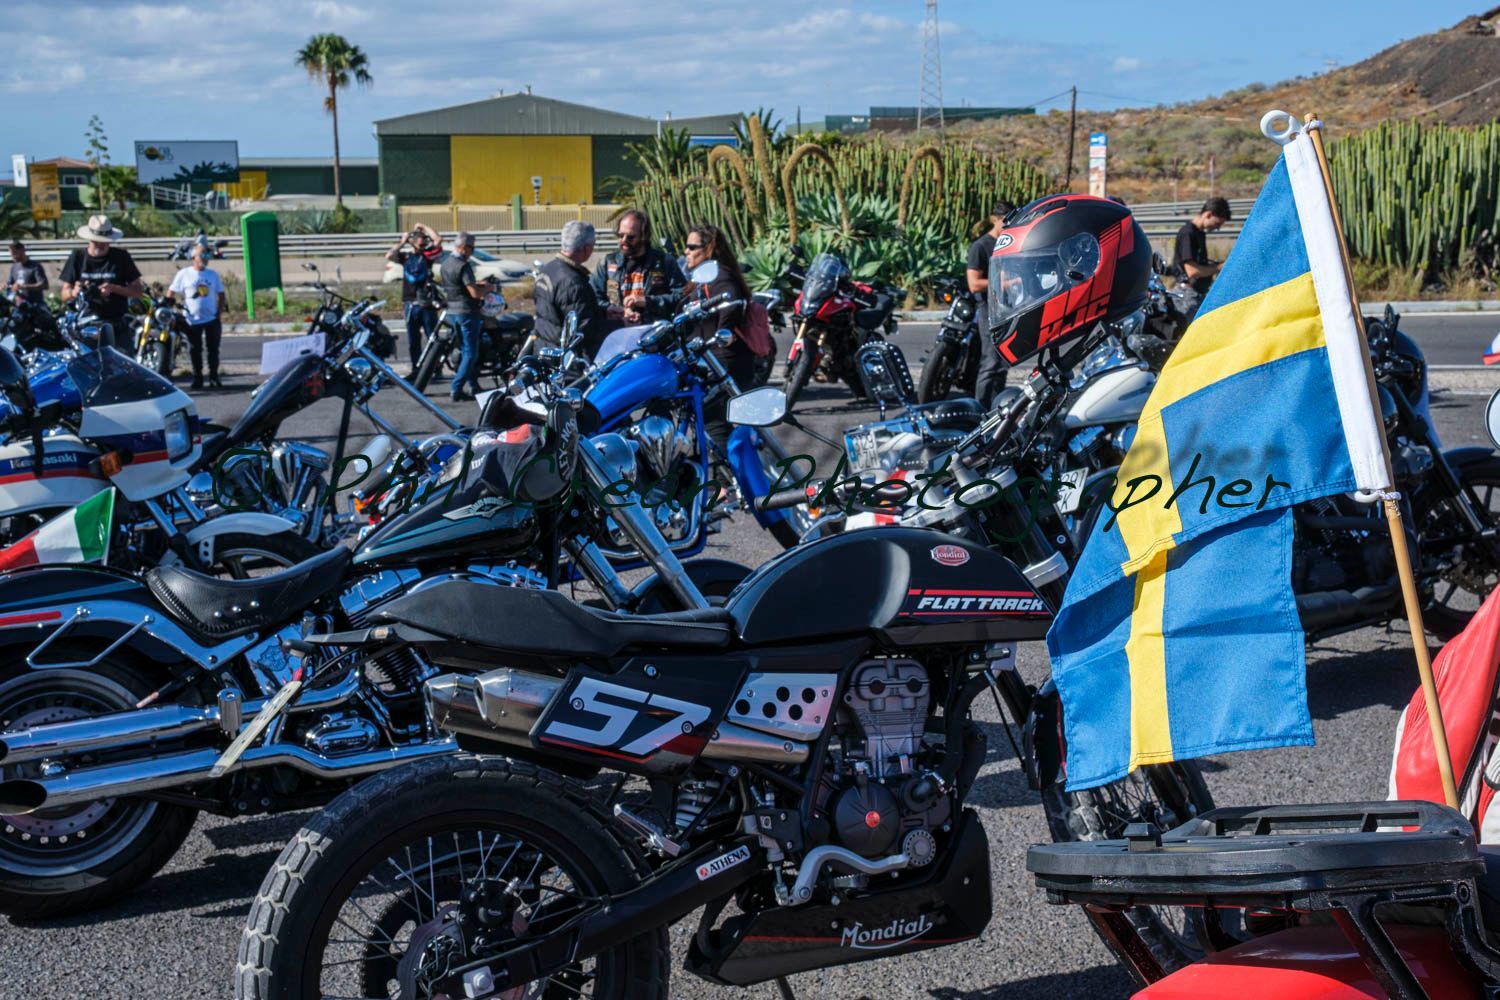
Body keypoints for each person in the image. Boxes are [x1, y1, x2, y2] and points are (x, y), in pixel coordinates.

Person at [681, 222, 754, 456]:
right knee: (710, 422)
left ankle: (729, 484)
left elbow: (731, 305)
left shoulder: (720, 277)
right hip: (711, 362)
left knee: (714, 423)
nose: (686, 252)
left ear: (709, 249)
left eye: (692, 247)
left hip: (723, 363)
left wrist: (723, 331)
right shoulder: (704, 278)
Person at [591, 209, 685, 327]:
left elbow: (682, 296)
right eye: (620, 235)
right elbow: (592, 297)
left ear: (644, 236)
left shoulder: (664, 262)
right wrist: (615, 310)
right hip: (617, 333)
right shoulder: (608, 262)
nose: (624, 241)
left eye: (630, 237)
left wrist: (648, 302)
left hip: (654, 333)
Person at [60, 215, 143, 343]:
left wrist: (113, 288)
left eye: (106, 240)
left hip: (116, 323)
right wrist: (75, 292)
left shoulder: (121, 257)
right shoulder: (78, 257)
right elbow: (64, 293)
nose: (102, 244)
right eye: (98, 241)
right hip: (86, 324)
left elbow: (137, 291)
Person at [534, 220, 611, 358]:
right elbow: (583, 330)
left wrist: (605, 312)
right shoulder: (572, 282)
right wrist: (619, 324)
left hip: (544, 347)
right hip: (567, 360)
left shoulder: (548, 269)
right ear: (586, 248)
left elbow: (563, 313)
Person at [967, 200, 1014, 408]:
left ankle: (997, 407)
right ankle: (981, 407)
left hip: (1008, 308)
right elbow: (974, 284)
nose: (1009, 224)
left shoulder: (1010, 244)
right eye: (1006, 220)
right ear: (995, 219)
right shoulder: (980, 247)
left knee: (1003, 362)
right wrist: (1004, 284)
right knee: (991, 361)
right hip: (988, 309)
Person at [166, 245, 228, 389]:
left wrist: (219, 312)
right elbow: (171, 292)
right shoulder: (184, 274)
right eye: (202, 256)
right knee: (195, 349)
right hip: (191, 319)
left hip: (211, 319)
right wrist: (170, 307)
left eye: (207, 256)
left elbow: (221, 294)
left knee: (213, 349)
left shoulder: (212, 275)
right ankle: (198, 377)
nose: (204, 259)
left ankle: (213, 377)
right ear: (194, 257)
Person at [386, 222, 443, 375]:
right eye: (419, 239)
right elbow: (389, 255)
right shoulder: (406, 257)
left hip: (427, 303)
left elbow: (438, 239)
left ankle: (435, 367)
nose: (422, 241)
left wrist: (424, 226)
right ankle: (416, 369)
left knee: (432, 337)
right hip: (410, 303)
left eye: (424, 239)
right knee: (413, 340)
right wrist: (402, 241)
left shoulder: (428, 255)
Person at [439, 231, 491, 401]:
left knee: (464, 350)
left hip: (452, 312)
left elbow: (457, 286)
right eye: (472, 248)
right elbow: (474, 293)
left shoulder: (446, 263)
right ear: (463, 247)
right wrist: (488, 288)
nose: (473, 251)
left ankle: (474, 385)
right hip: (467, 312)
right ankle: (457, 388)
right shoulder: (463, 265)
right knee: (470, 353)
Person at [1172, 196, 1232, 317]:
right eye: (1217, 223)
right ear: (1208, 214)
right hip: (1187, 296)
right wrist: (1219, 267)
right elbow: (1192, 271)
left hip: (1196, 294)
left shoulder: (1199, 233)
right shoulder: (1188, 233)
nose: (1217, 228)